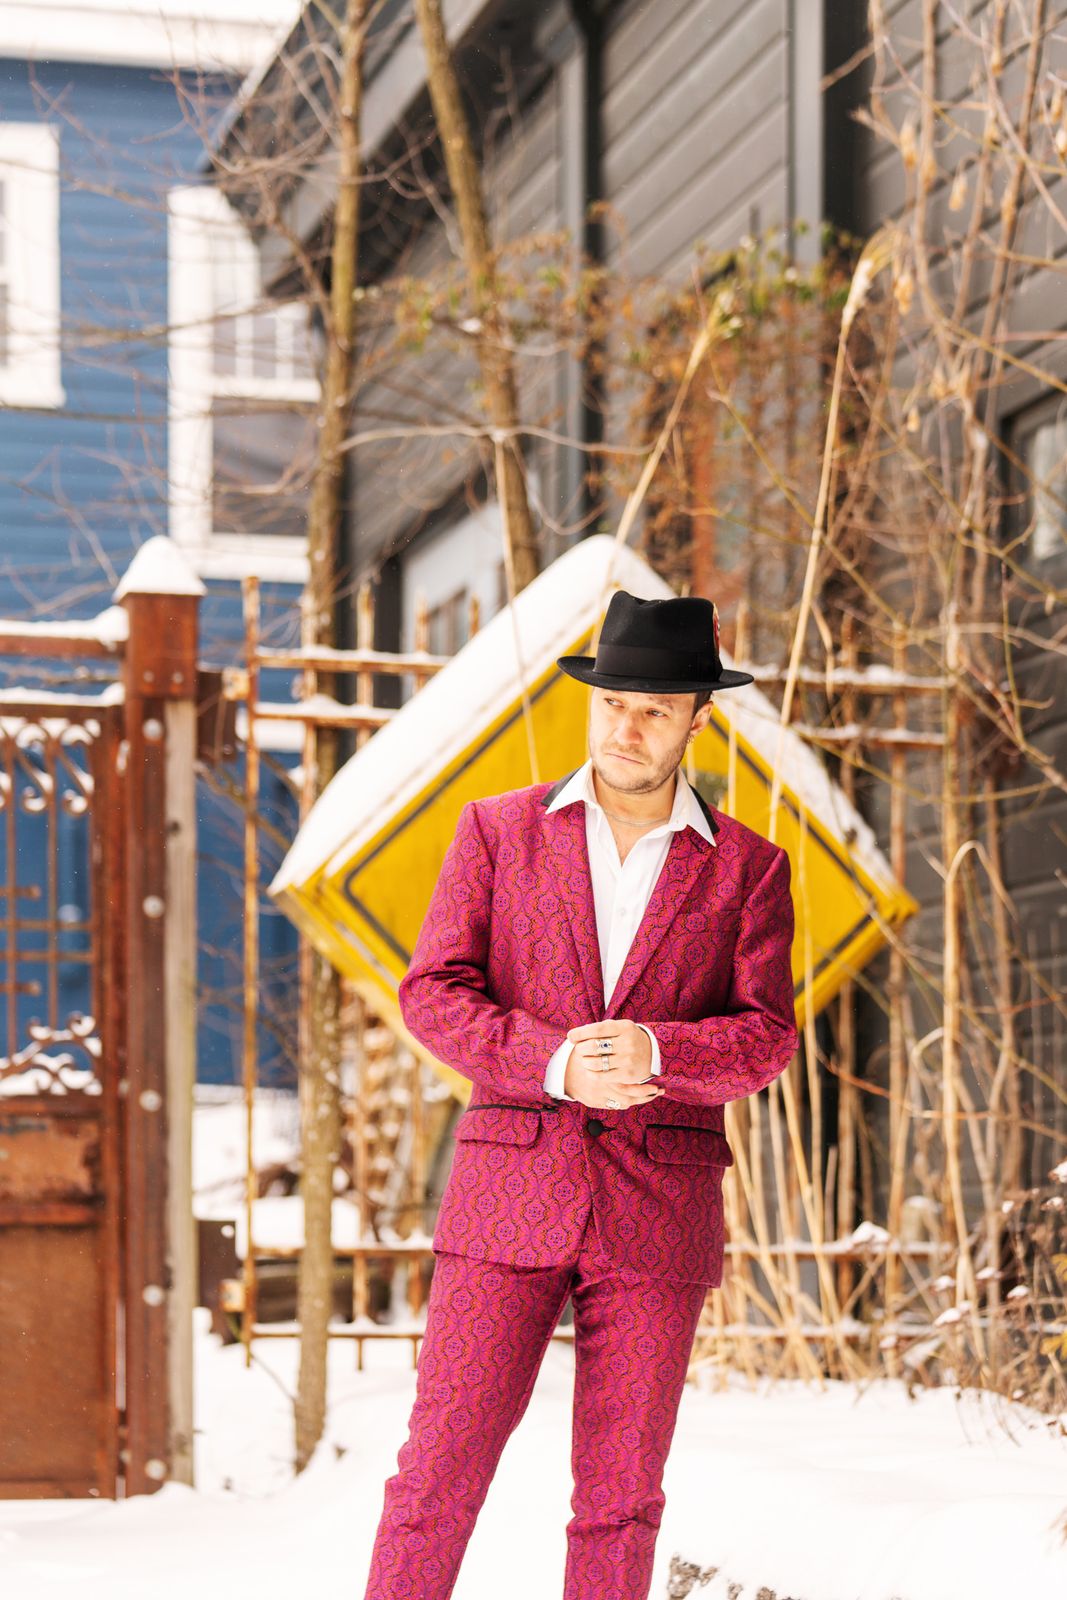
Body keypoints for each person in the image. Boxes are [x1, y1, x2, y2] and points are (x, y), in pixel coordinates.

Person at [362, 589, 798, 1600]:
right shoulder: (496, 832)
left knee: (621, 1496)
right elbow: (432, 993)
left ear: (697, 719)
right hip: (506, 1199)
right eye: (611, 704)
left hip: (658, 1208)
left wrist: (655, 1050)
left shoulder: (747, 867)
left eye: (653, 710)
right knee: (438, 1472)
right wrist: (553, 1061)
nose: (625, 728)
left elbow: (765, 1036)